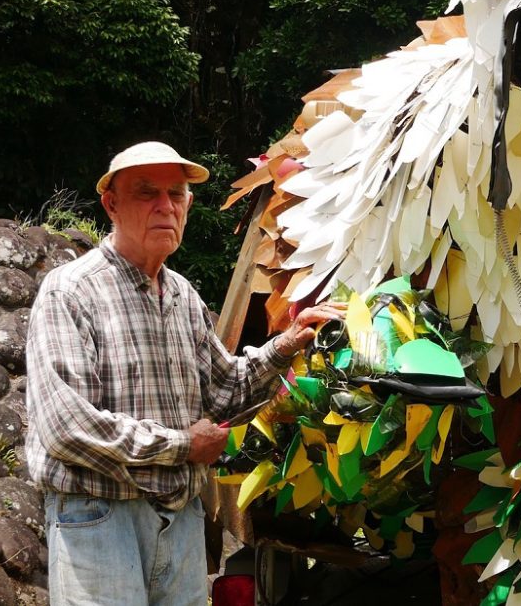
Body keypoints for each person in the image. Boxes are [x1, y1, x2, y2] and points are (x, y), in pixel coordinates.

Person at [26, 141, 345, 606]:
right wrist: (183, 446)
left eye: (175, 194)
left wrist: (289, 342)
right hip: (100, 519)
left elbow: (226, 389)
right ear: (111, 205)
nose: (165, 206)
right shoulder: (71, 291)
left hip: (179, 521)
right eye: (146, 192)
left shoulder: (181, 295)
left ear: (188, 205)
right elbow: (67, 428)